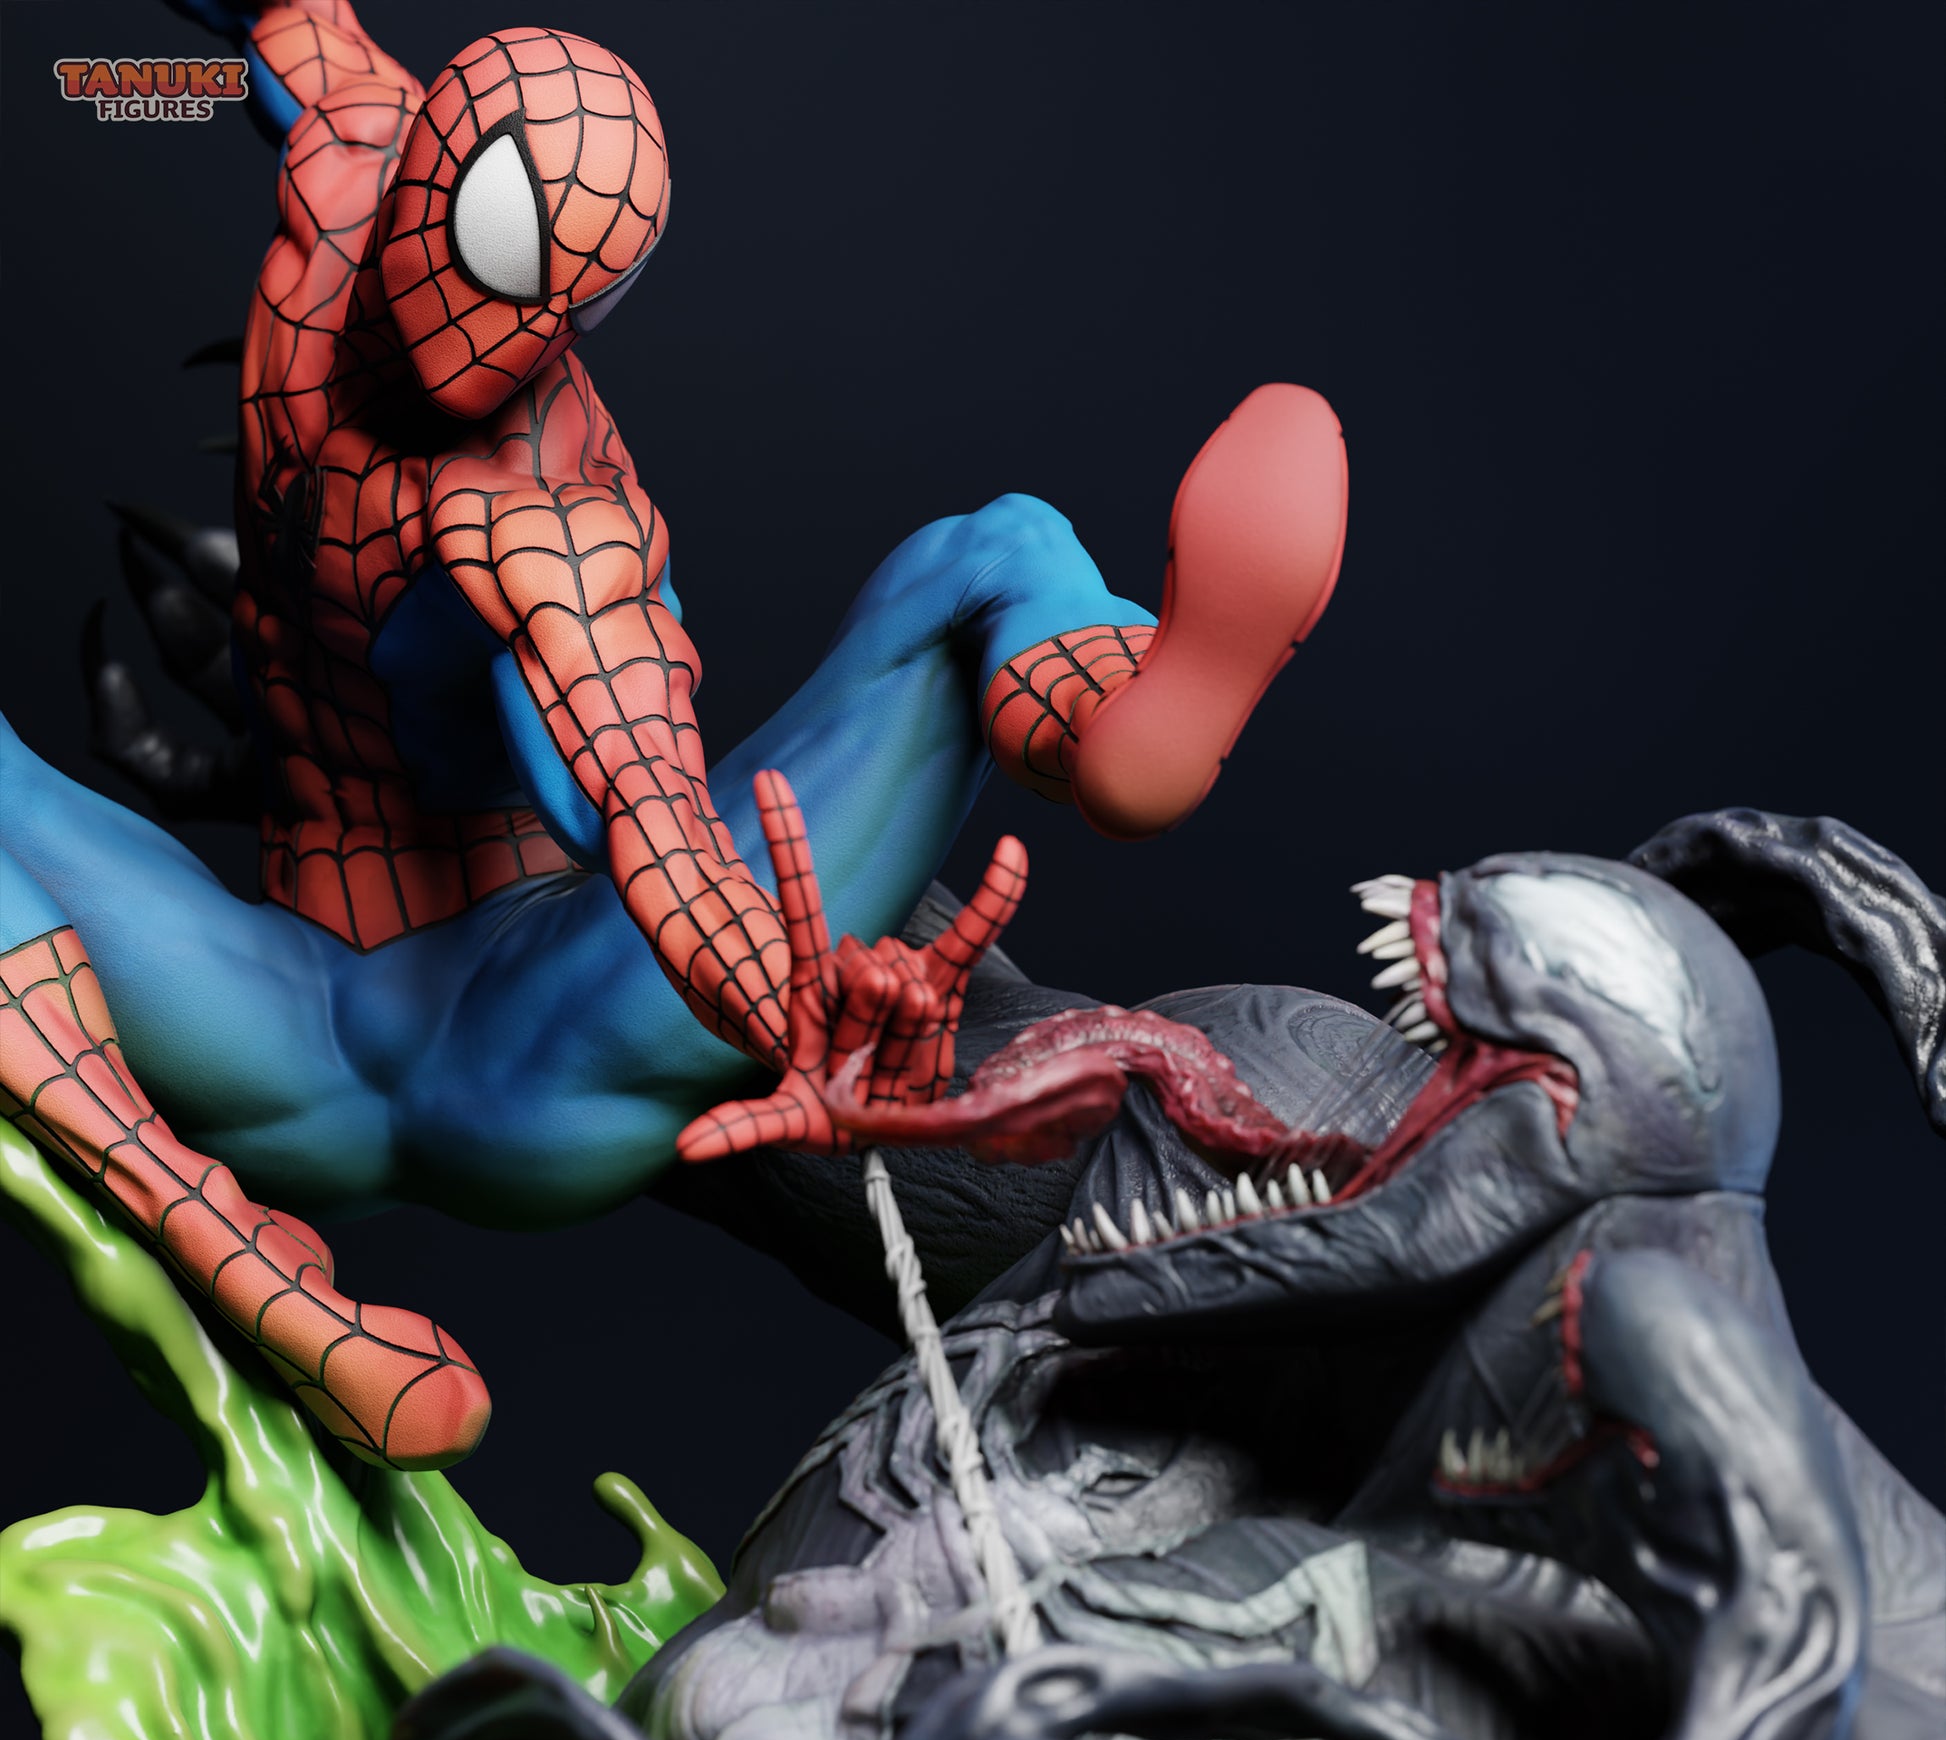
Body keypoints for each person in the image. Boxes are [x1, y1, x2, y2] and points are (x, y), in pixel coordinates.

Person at [0, 3, 1348, 1464]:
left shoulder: (536, 493)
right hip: (388, 1028)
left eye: (565, 307)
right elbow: (199, 64)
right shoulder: (349, 134)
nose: (506, 348)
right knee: (995, 554)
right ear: (437, 174)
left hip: (464, 1030)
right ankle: (239, 1260)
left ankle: (1112, 716)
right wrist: (129, 78)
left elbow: (646, 802)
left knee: (988, 562)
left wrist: (797, 1013)